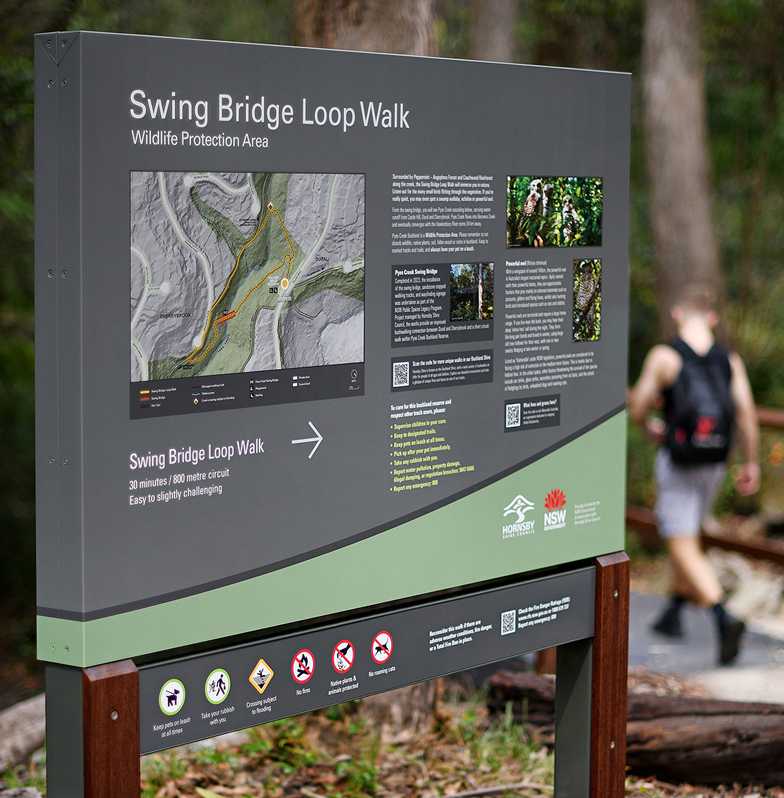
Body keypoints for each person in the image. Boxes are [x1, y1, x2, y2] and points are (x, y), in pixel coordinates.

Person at [629, 286, 760, 666]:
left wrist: (649, 425)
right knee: (689, 533)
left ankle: (723, 616)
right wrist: (750, 464)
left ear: (677, 313)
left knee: (679, 540)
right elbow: (747, 415)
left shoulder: (665, 357)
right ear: (713, 318)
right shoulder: (728, 360)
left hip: (679, 460)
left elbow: (638, 404)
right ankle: (674, 612)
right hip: (716, 462)